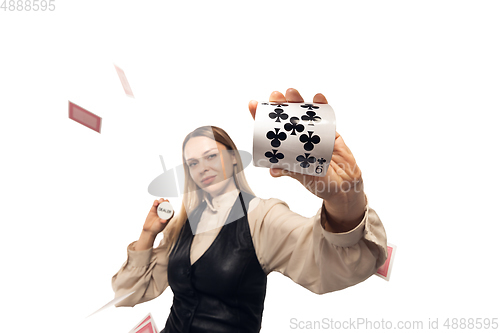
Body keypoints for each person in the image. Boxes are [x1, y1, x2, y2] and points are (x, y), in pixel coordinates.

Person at [112, 88, 388, 333]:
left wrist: (344, 204)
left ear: (234, 159)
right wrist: (148, 233)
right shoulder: (183, 226)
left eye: (211, 156)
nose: (203, 168)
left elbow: (331, 263)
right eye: (192, 163)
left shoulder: (261, 216)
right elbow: (128, 293)